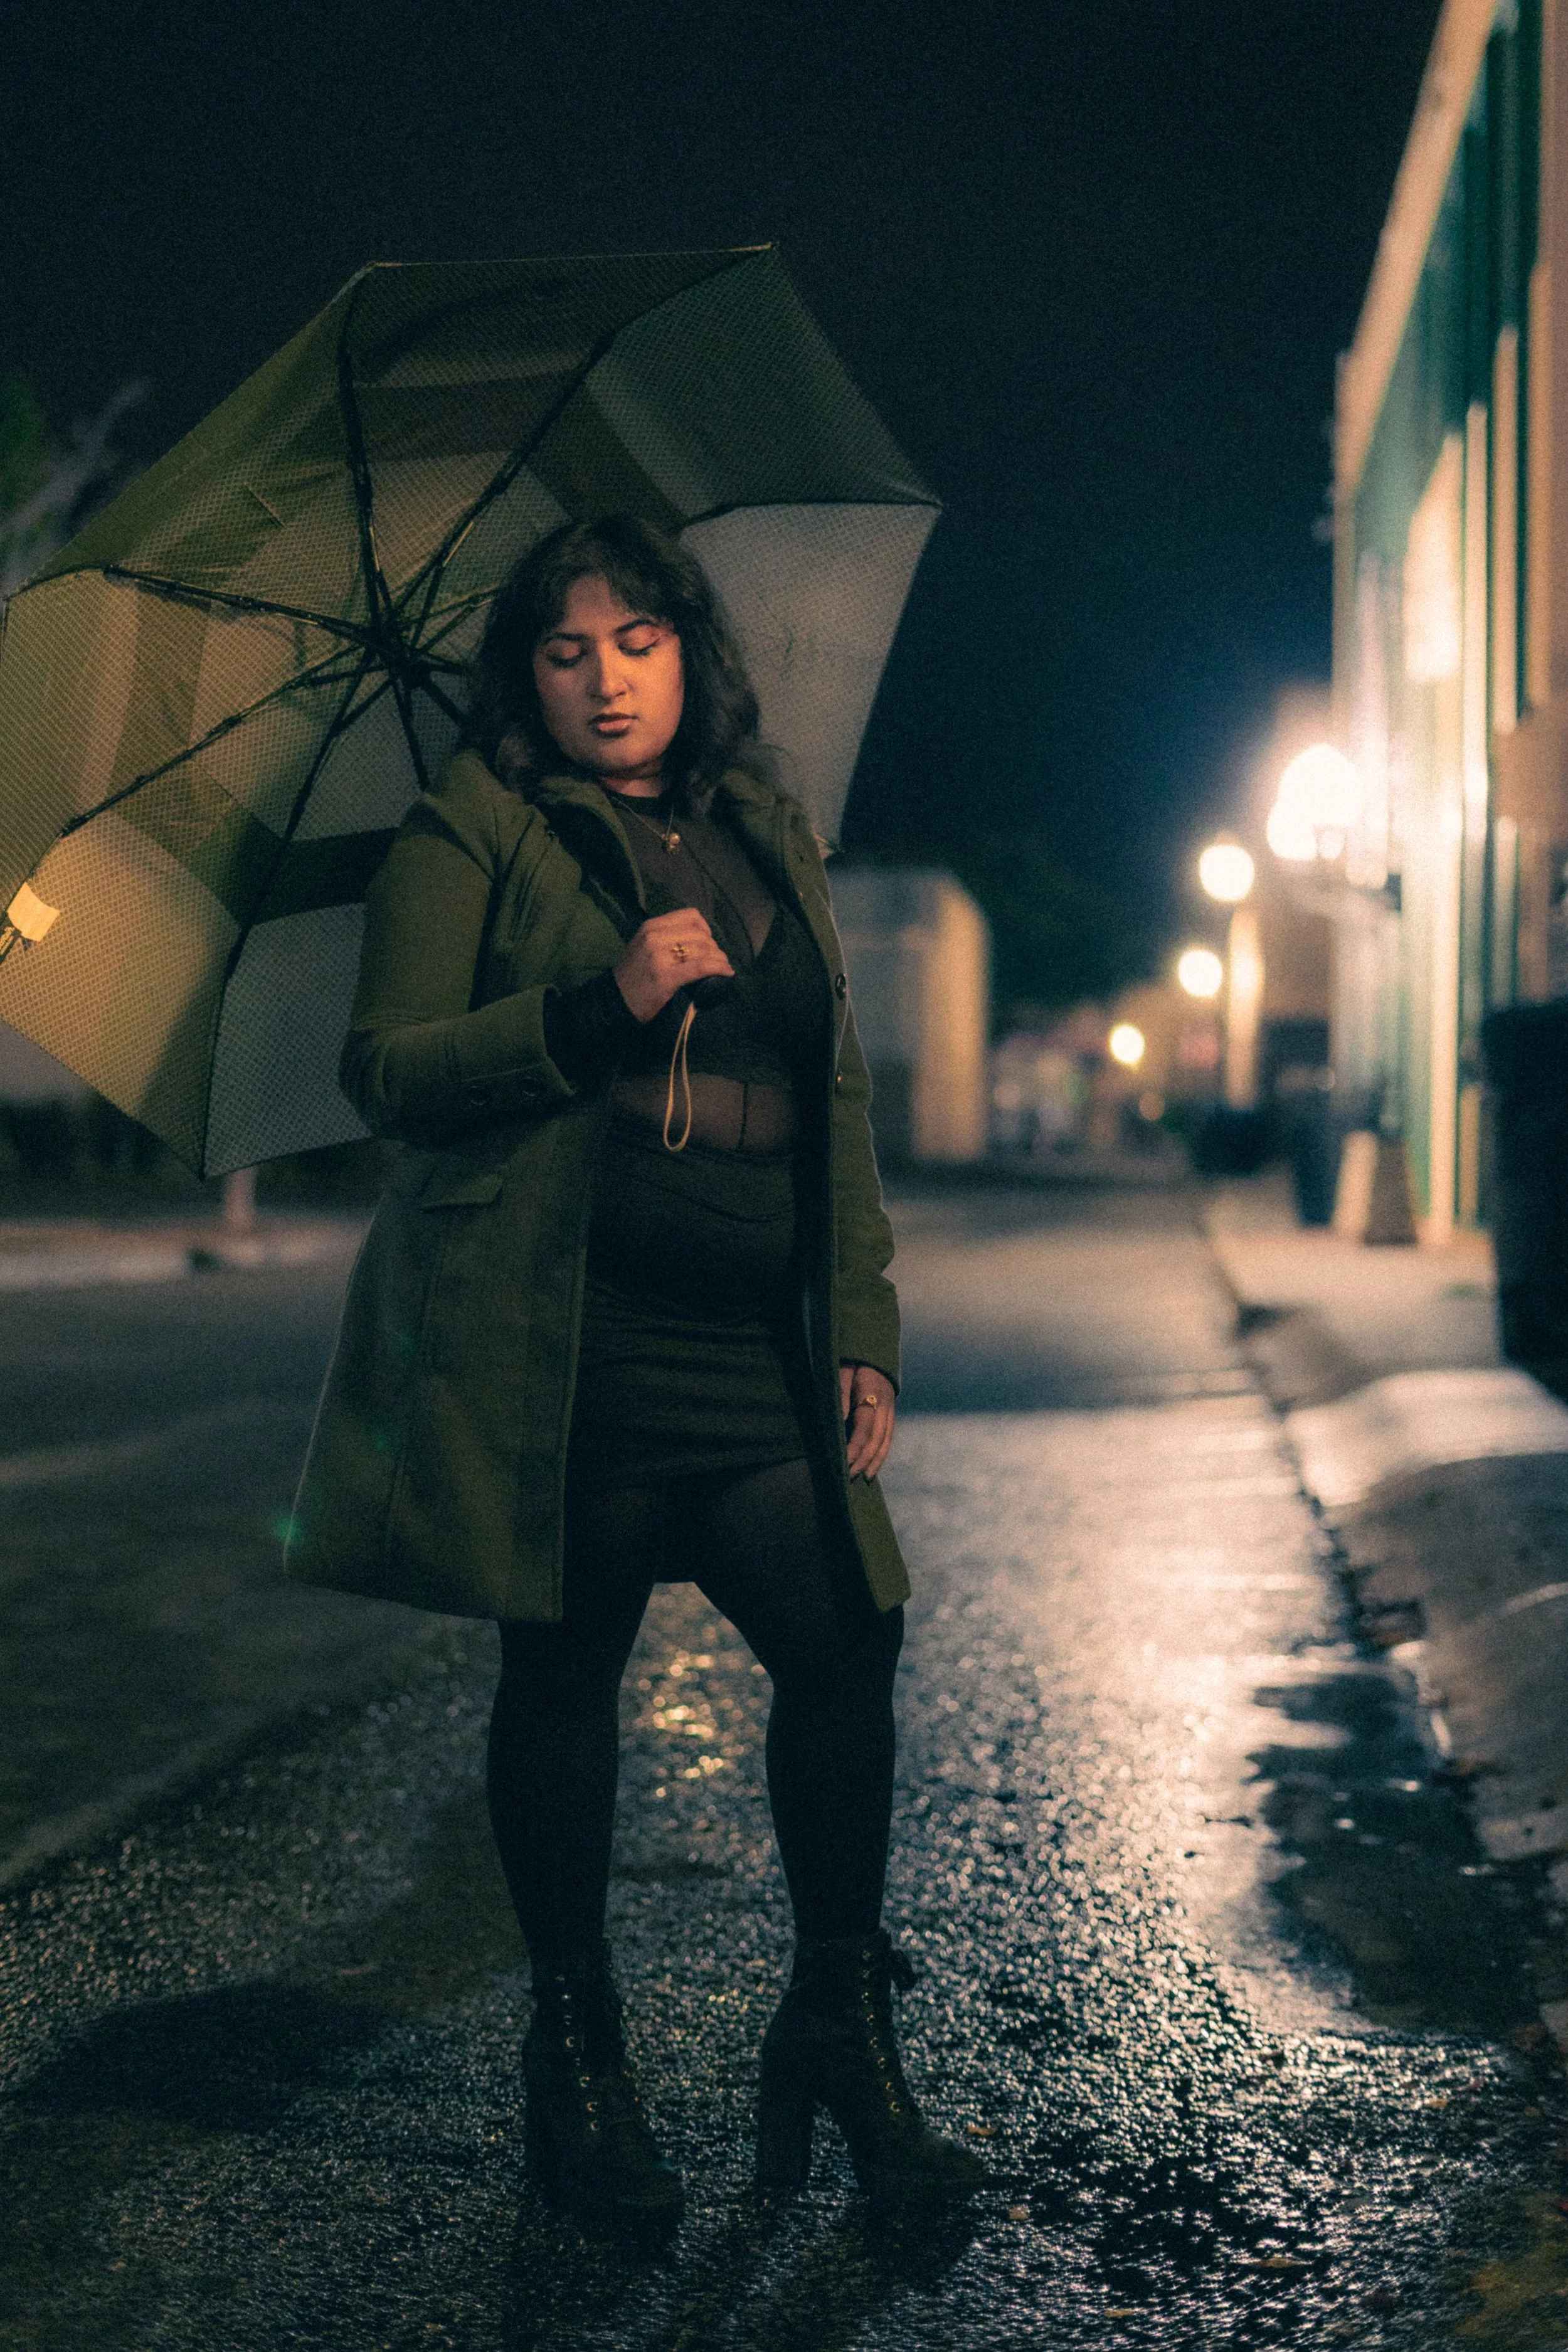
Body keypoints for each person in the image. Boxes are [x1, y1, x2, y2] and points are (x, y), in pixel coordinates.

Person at [287, 514, 983, 2228]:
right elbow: (387, 1064)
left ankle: (837, 2030)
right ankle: (577, 2061)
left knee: (844, 1638)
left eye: (639, 638)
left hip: (753, 1345)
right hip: (574, 1343)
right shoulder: (476, 825)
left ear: (691, 651)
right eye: (564, 648)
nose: (608, 678)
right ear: (523, 676)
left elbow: (832, 1098)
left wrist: (857, 1323)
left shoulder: (758, 825)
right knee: (563, 1670)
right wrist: (595, 1002)